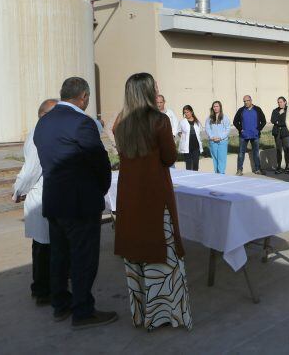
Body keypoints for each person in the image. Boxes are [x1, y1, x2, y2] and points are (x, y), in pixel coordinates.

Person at [33, 77, 116, 328]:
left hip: (54, 201)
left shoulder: (43, 123)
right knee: (83, 257)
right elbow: (99, 161)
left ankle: (61, 304)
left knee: (59, 255)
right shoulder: (81, 122)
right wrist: (101, 188)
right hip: (79, 203)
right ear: (83, 97)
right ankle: (83, 311)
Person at [112, 73, 192, 331]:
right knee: (163, 257)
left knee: (137, 254)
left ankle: (141, 314)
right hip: (156, 196)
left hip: (130, 196)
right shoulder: (159, 121)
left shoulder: (121, 124)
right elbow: (169, 157)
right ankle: (167, 314)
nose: (158, 87)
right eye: (154, 85)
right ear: (147, 91)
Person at [12, 98, 58, 306]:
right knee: (43, 246)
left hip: (48, 196)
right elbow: (30, 170)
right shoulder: (37, 136)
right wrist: (17, 191)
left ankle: (47, 286)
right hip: (41, 197)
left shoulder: (45, 132)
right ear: (46, 115)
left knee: (47, 245)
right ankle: (42, 290)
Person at [233, 95, 267, 175]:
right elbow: (235, 121)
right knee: (241, 153)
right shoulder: (241, 110)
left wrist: (258, 129)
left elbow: (263, 121)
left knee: (256, 153)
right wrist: (240, 129)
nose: (246, 102)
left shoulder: (257, 109)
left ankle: (258, 169)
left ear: (251, 100)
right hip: (243, 136)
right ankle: (239, 170)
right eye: (244, 101)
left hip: (255, 135)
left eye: (247, 100)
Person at [205, 101, 231, 174]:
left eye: (217, 106)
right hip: (213, 141)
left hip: (222, 141)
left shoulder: (224, 117)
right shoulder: (209, 118)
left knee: (222, 159)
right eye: (214, 106)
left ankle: (221, 174)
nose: (215, 108)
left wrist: (220, 137)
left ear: (220, 107)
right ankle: (217, 174)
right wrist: (211, 137)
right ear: (212, 108)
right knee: (215, 159)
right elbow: (207, 128)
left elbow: (227, 129)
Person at [270, 97, 289, 174]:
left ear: (285, 102)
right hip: (277, 132)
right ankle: (278, 166)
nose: (279, 103)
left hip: (285, 132)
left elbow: (288, 121)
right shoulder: (275, 110)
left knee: (286, 149)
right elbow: (273, 120)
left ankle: (287, 166)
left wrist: (279, 122)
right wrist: (280, 114)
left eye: (281, 102)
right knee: (278, 150)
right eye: (278, 102)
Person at [178, 105, 202, 171]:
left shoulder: (197, 122)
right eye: (185, 112)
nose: (186, 114)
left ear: (191, 112)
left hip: (196, 146)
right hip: (187, 146)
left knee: (195, 165)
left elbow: (199, 132)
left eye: (187, 112)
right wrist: (183, 137)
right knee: (188, 165)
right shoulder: (182, 122)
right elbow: (179, 131)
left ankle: (195, 179)